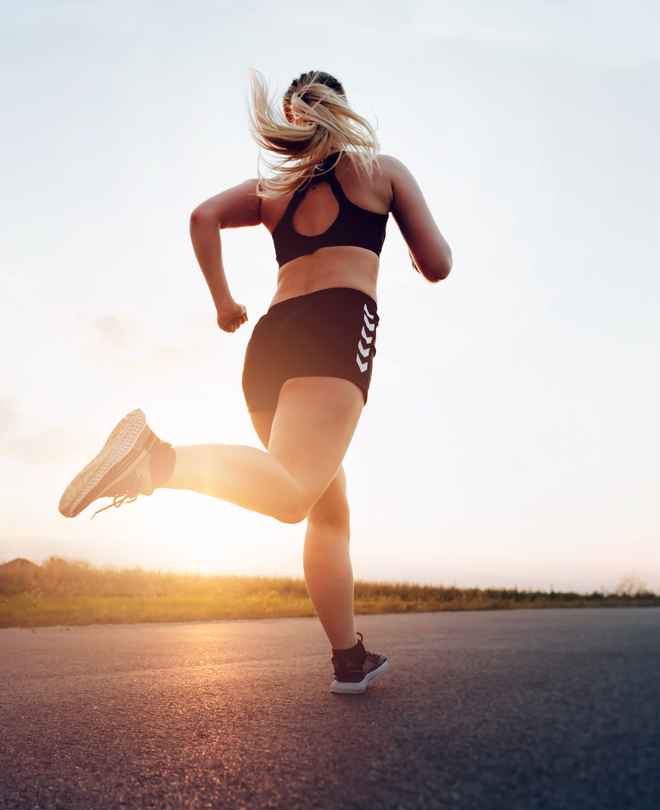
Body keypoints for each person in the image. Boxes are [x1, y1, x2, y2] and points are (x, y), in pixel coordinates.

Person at [58, 70, 451, 694]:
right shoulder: (381, 171)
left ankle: (348, 657)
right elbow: (438, 264)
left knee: (329, 506)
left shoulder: (275, 186)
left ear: (294, 121)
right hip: (337, 325)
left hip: (270, 345)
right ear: (341, 111)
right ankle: (155, 461)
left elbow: (202, 216)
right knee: (295, 494)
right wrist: (394, 229)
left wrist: (222, 303)